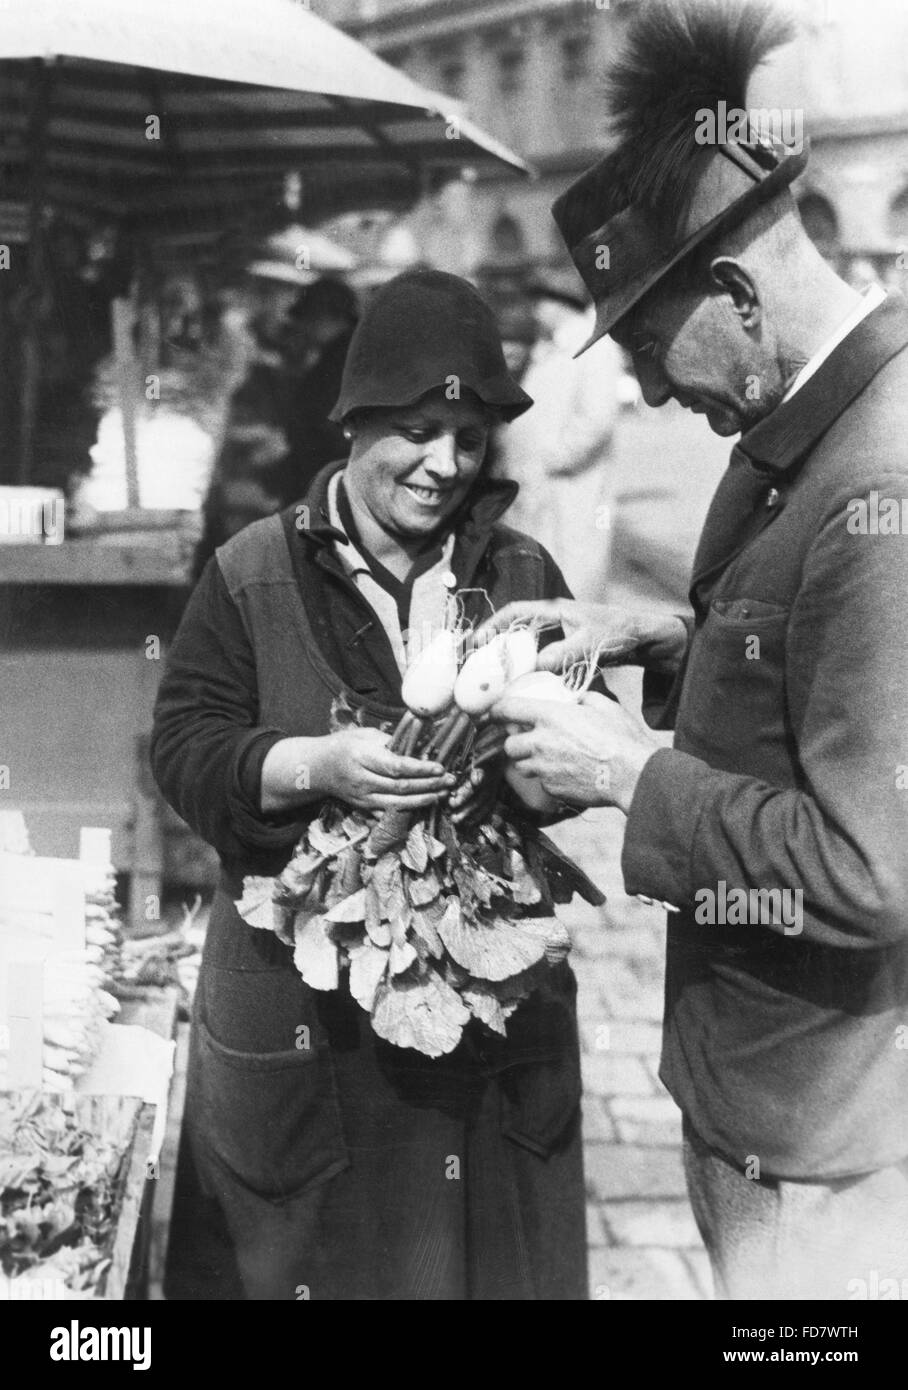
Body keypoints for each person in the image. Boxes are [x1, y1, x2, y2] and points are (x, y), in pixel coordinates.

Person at [481, 0, 908, 1300]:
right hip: (760, 1080)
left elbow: (871, 868)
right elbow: (801, 657)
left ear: (731, 289)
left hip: (821, 1137)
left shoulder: (876, 486)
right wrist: (647, 634)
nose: (655, 395)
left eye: (652, 350)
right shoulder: (807, 434)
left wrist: (627, 771)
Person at [150, 269, 589, 1301]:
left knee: (452, 1263)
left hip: (467, 1030)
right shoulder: (253, 569)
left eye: (469, 437)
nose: (443, 465)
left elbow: (579, 738)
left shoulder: (520, 574)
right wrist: (315, 763)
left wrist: (531, 766)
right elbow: (183, 747)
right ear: (353, 420)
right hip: (297, 1020)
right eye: (417, 428)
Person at [493, 267, 621, 601]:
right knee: (536, 577)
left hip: (570, 491)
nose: (535, 311)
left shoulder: (593, 346)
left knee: (573, 580)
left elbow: (597, 420)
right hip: (538, 490)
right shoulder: (550, 348)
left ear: (556, 302)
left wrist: (549, 461)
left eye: (539, 301)